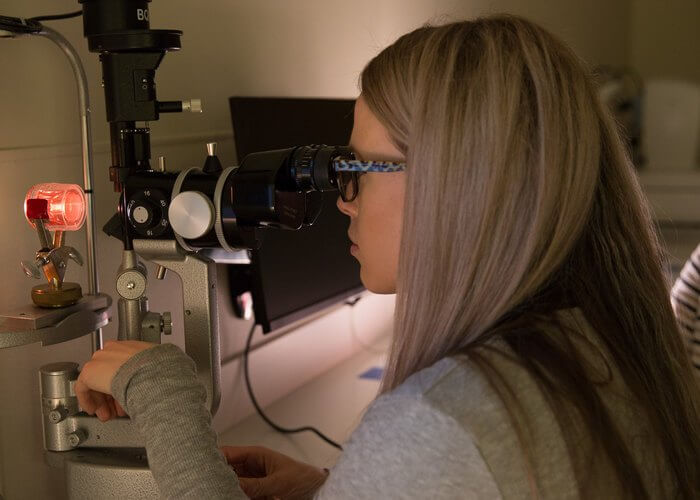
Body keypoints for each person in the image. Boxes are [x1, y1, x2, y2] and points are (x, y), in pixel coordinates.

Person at [74, 14, 700, 499]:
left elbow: (458, 448)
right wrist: (338, 484)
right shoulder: (603, 341)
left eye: (355, 168)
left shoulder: (443, 419)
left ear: (455, 183)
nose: (344, 200)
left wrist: (162, 392)